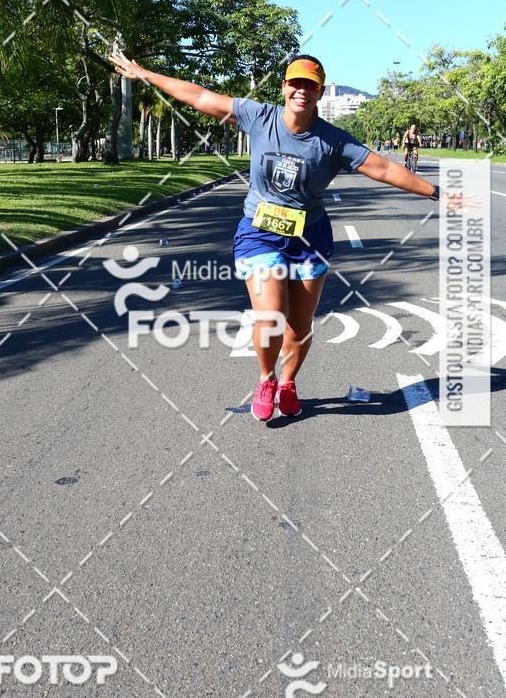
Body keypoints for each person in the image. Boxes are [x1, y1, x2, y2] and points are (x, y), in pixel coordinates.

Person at [110, 51, 442, 422]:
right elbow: (200, 96)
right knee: (269, 318)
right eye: (296, 82)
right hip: (259, 233)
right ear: (284, 86)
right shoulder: (260, 117)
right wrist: (144, 74)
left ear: (319, 92)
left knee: (299, 327)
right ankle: (266, 379)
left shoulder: (333, 141)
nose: (302, 90)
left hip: (310, 238)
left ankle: (287, 382)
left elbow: (381, 167)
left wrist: (436, 192)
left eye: (310, 85)